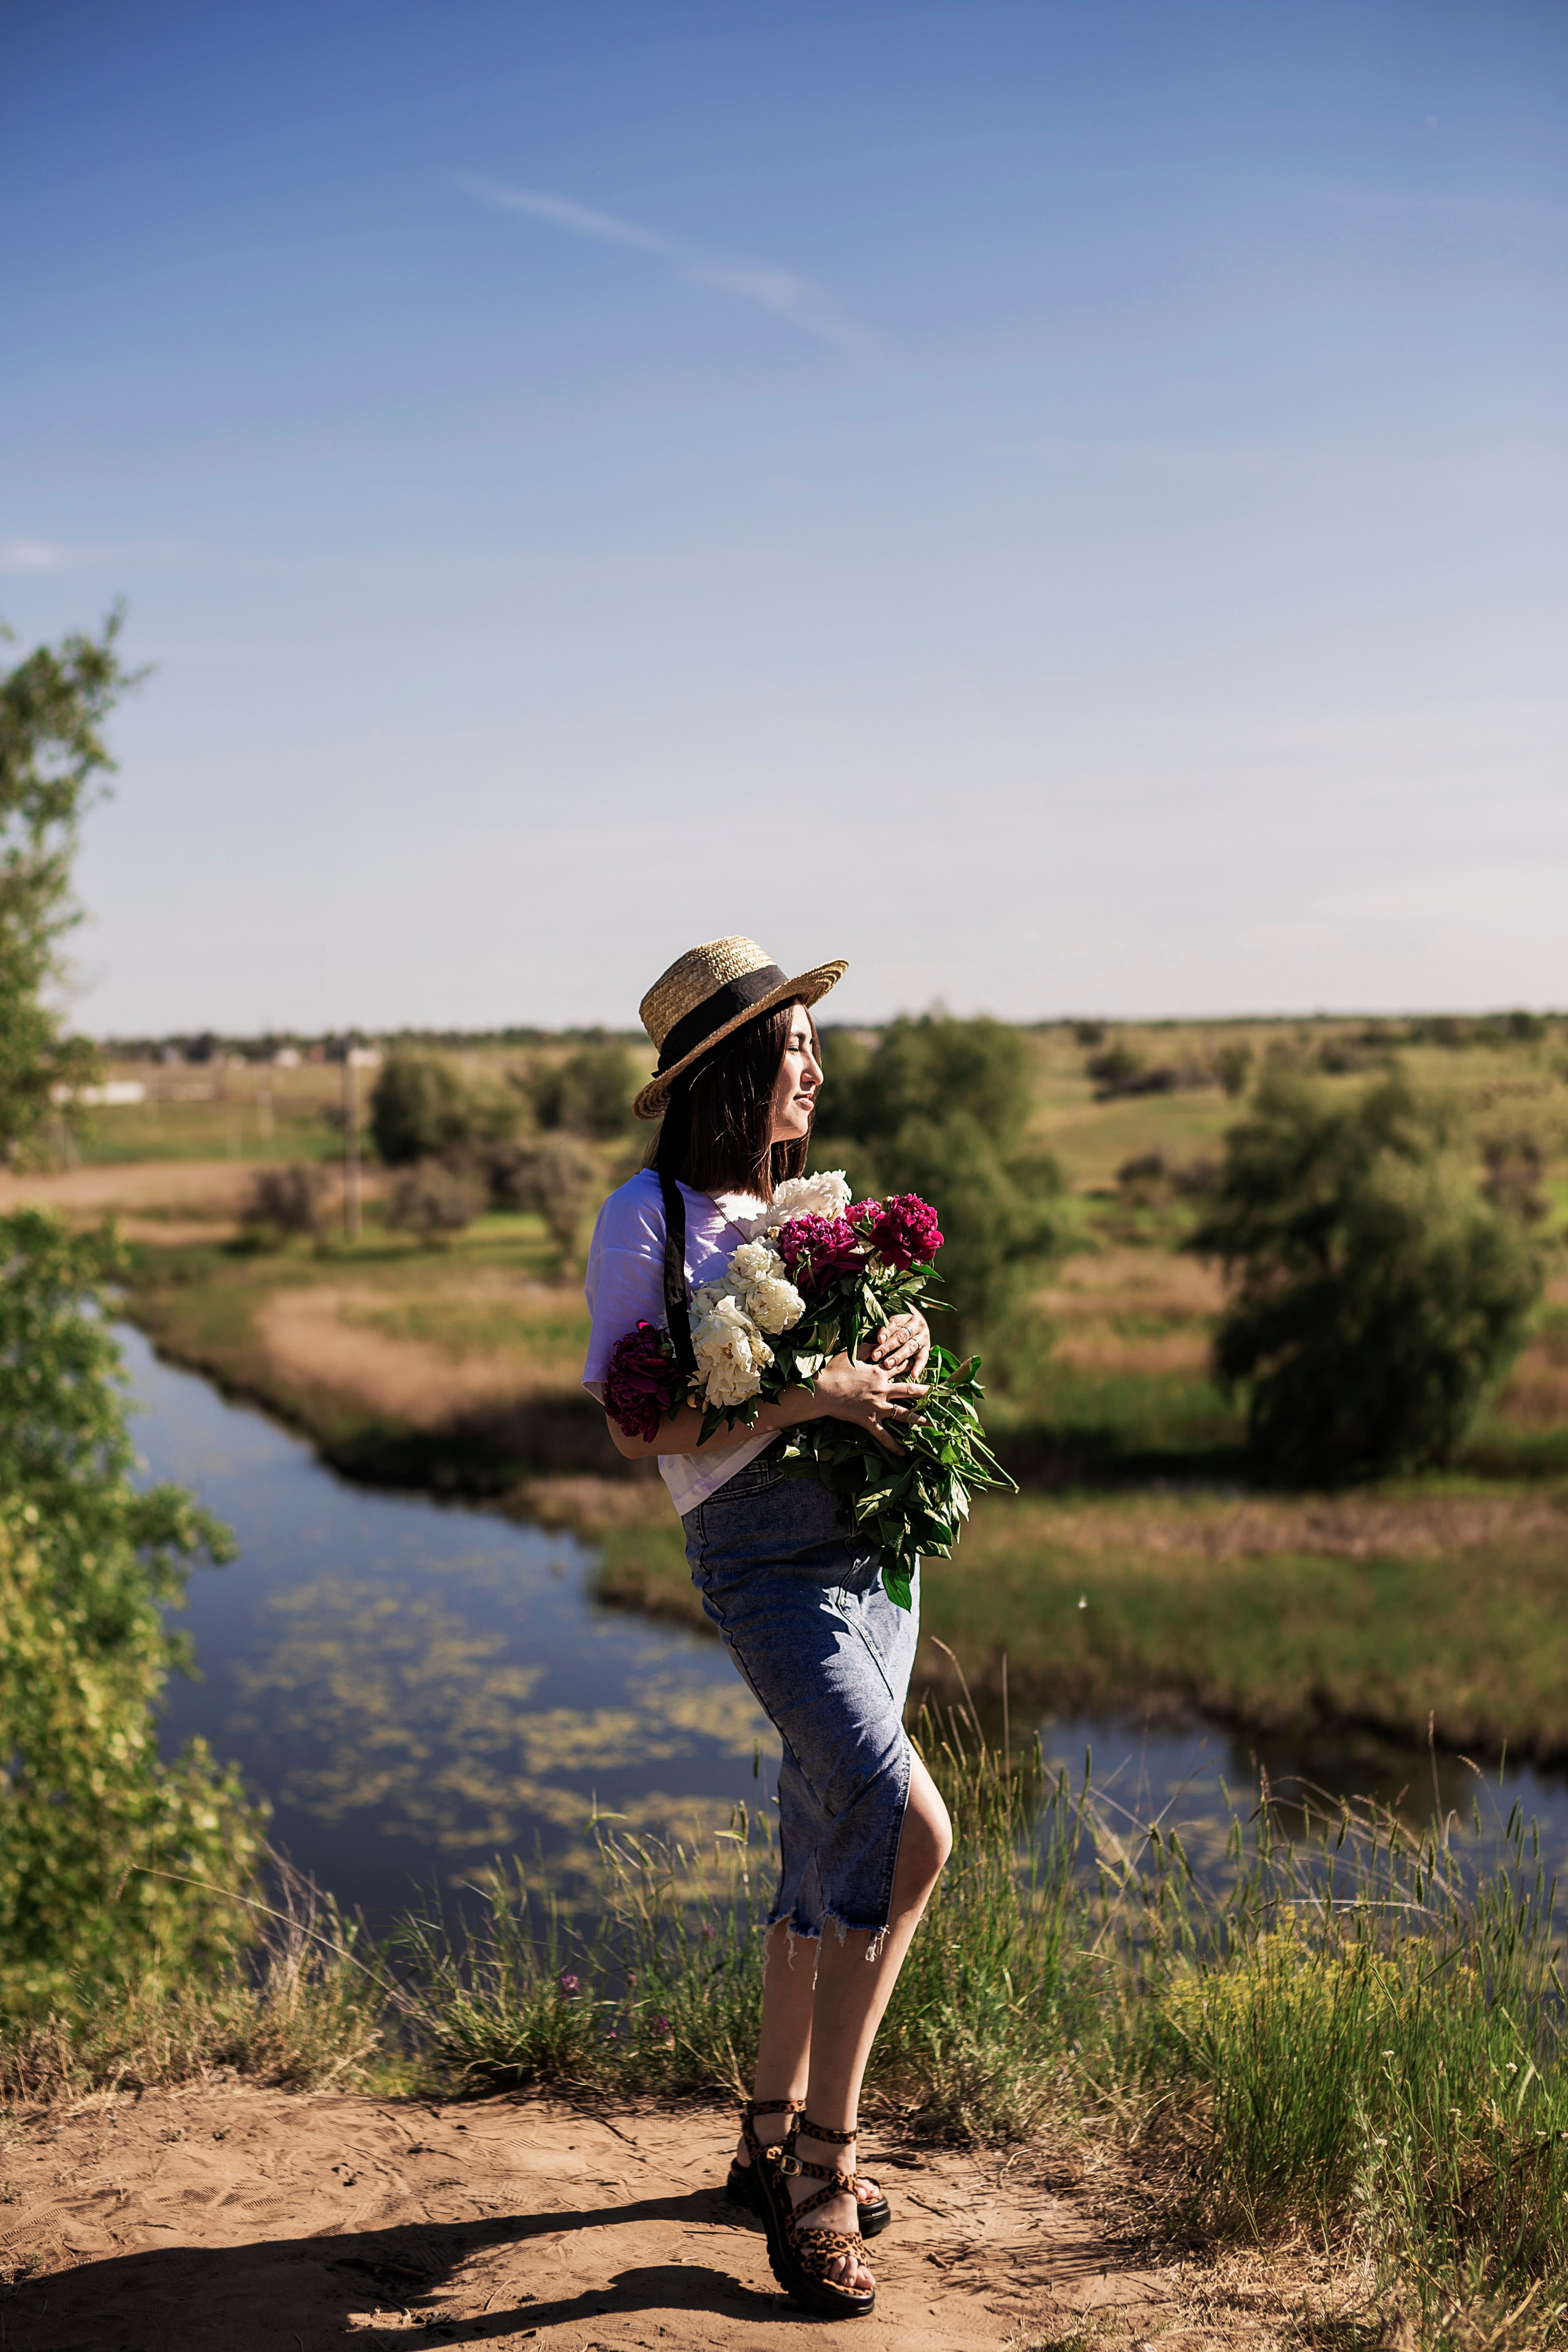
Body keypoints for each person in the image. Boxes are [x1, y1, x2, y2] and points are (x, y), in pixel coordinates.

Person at [581, 935, 952, 2320]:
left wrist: (895, 1346)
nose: (813, 1061)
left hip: (873, 1562)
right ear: (731, 1069)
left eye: (808, 1040)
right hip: (760, 1567)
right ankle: (819, 2171)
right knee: (907, 1827)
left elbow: (867, 1357)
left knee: (823, 1837)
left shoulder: (812, 1207)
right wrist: (797, 1398)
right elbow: (637, 1428)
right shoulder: (650, 1219)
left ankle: (760, 2127)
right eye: (791, 1044)